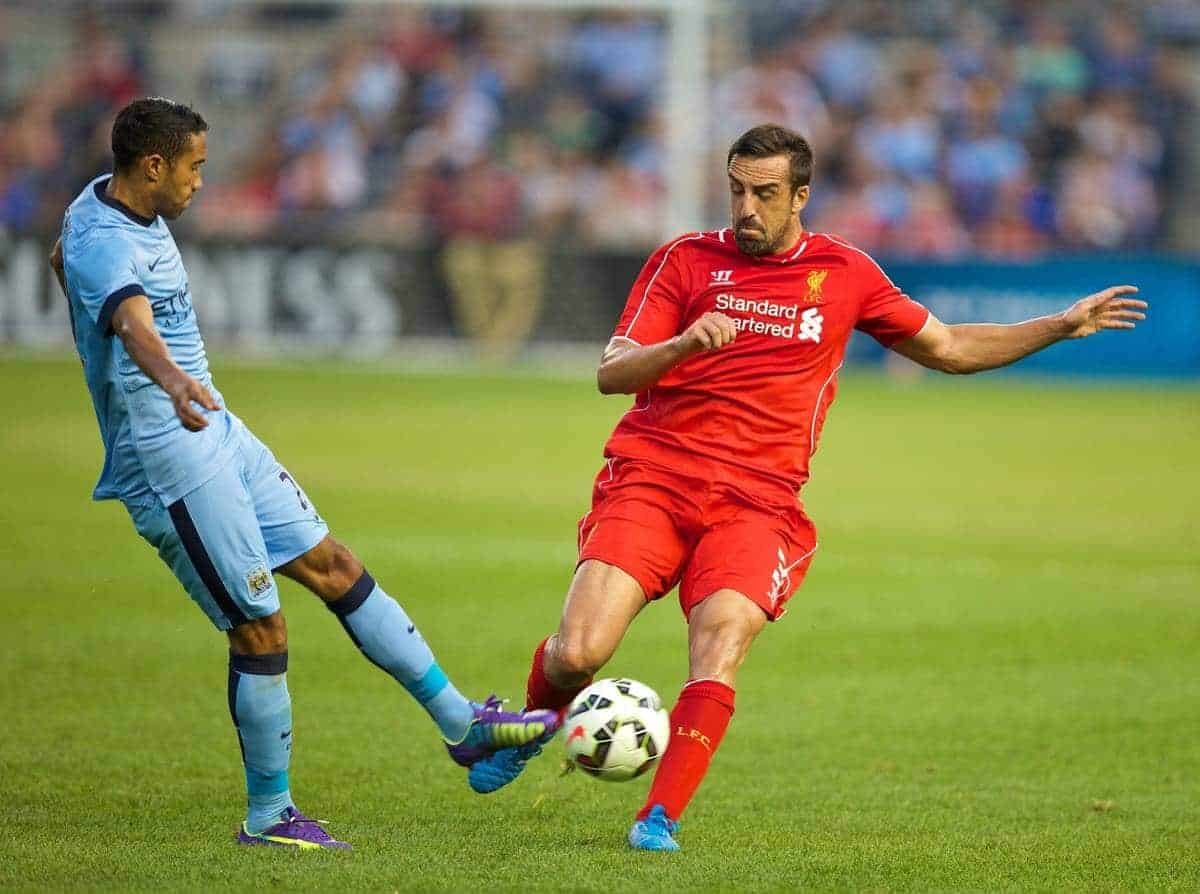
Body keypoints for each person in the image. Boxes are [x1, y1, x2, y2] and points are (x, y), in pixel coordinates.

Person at [469, 123, 1147, 852]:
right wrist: (683, 343)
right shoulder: (685, 259)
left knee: (721, 640)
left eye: (764, 194)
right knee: (579, 653)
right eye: (736, 191)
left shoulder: (846, 273)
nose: (746, 209)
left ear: (801, 195)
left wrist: (1057, 325)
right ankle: (532, 723)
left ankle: (657, 818)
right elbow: (612, 371)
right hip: (654, 479)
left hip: (758, 504)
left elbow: (947, 347)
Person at [48, 97, 559, 851]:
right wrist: (171, 381)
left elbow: (63, 260)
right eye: (193, 169)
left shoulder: (97, 213)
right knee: (260, 628)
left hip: (219, 431)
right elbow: (131, 321)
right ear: (153, 166)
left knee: (335, 565)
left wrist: (181, 385)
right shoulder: (104, 241)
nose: (198, 183)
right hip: (171, 460)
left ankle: (465, 729)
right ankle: (269, 817)